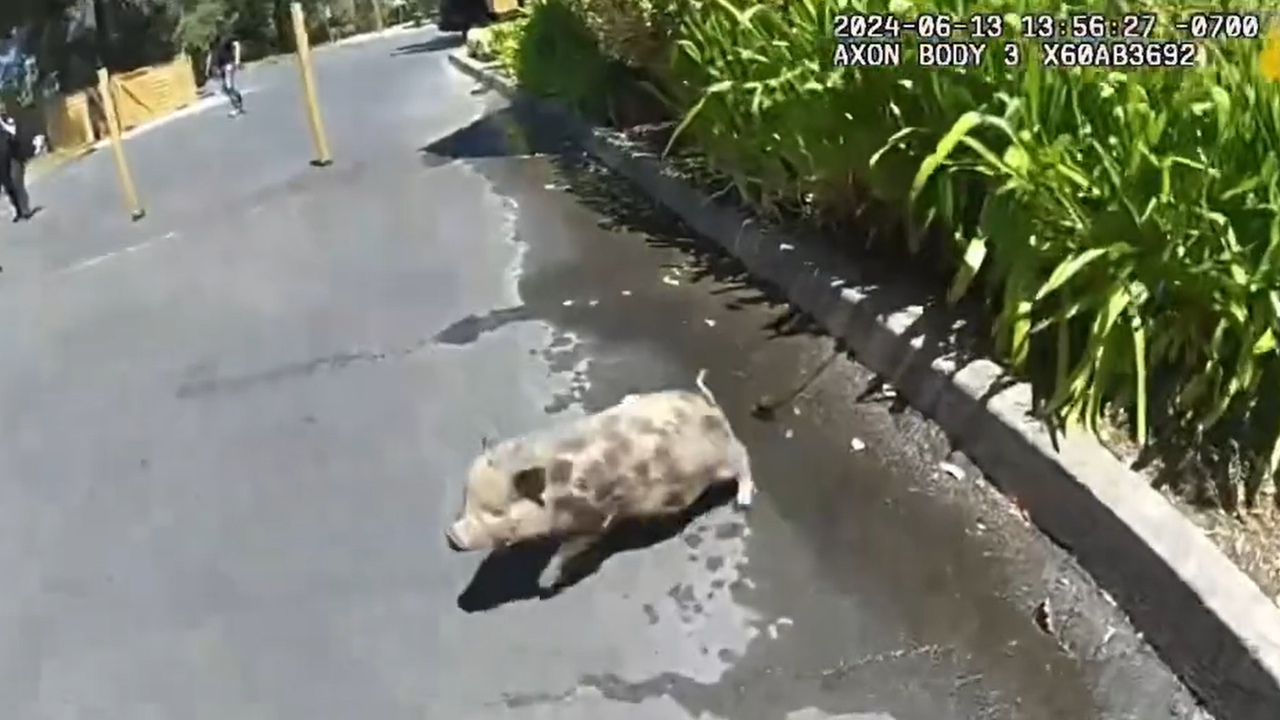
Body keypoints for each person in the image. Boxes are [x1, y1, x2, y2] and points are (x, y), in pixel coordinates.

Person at [0, 103, 42, 223]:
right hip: (1, 161)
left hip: (14, 156)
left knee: (16, 181)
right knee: (9, 187)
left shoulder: (9, 120)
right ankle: (18, 210)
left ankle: (25, 210)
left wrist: (4, 125)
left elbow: (15, 134)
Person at [207, 27, 245, 117]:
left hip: (228, 66)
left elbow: (237, 44)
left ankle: (237, 108)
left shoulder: (225, 40)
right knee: (225, 89)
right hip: (222, 68)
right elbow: (211, 57)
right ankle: (238, 99)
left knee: (228, 87)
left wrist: (237, 60)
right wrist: (209, 69)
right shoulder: (213, 46)